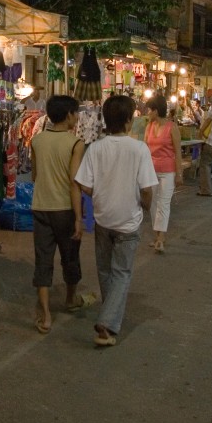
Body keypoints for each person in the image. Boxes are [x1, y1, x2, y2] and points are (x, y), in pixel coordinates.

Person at [75, 95, 158, 347]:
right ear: (127, 120)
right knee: (121, 273)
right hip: (128, 221)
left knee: (105, 270)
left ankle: (108, 318)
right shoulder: (139, 149)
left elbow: (83, 184)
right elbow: (146, 190)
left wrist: (100, 194)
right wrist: (145, 206)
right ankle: (107, 323)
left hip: (103, 219)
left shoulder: (96, 148)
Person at [29, 95, 86, 333]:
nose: (78, 117)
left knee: (43, 259)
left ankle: (45, 314)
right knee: (70, 255)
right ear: (69, 115)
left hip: (40, 207)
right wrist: (79, 218)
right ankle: (71, 299)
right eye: (76, 113)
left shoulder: (37, 140)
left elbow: (33, 176)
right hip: (64, 209)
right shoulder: (76, 143)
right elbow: (75, 183)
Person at [143, 95, 183, 254]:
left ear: (156, 110)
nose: (147, 112)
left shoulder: (172, 127)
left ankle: (161, 237)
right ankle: (157, 235)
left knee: (164, 203)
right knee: (152, 203)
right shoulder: (149, 127)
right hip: (151, 170)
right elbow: (145, 150)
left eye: (149, 109)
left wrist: (179, 173)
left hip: (168, 171)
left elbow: (178, 152)